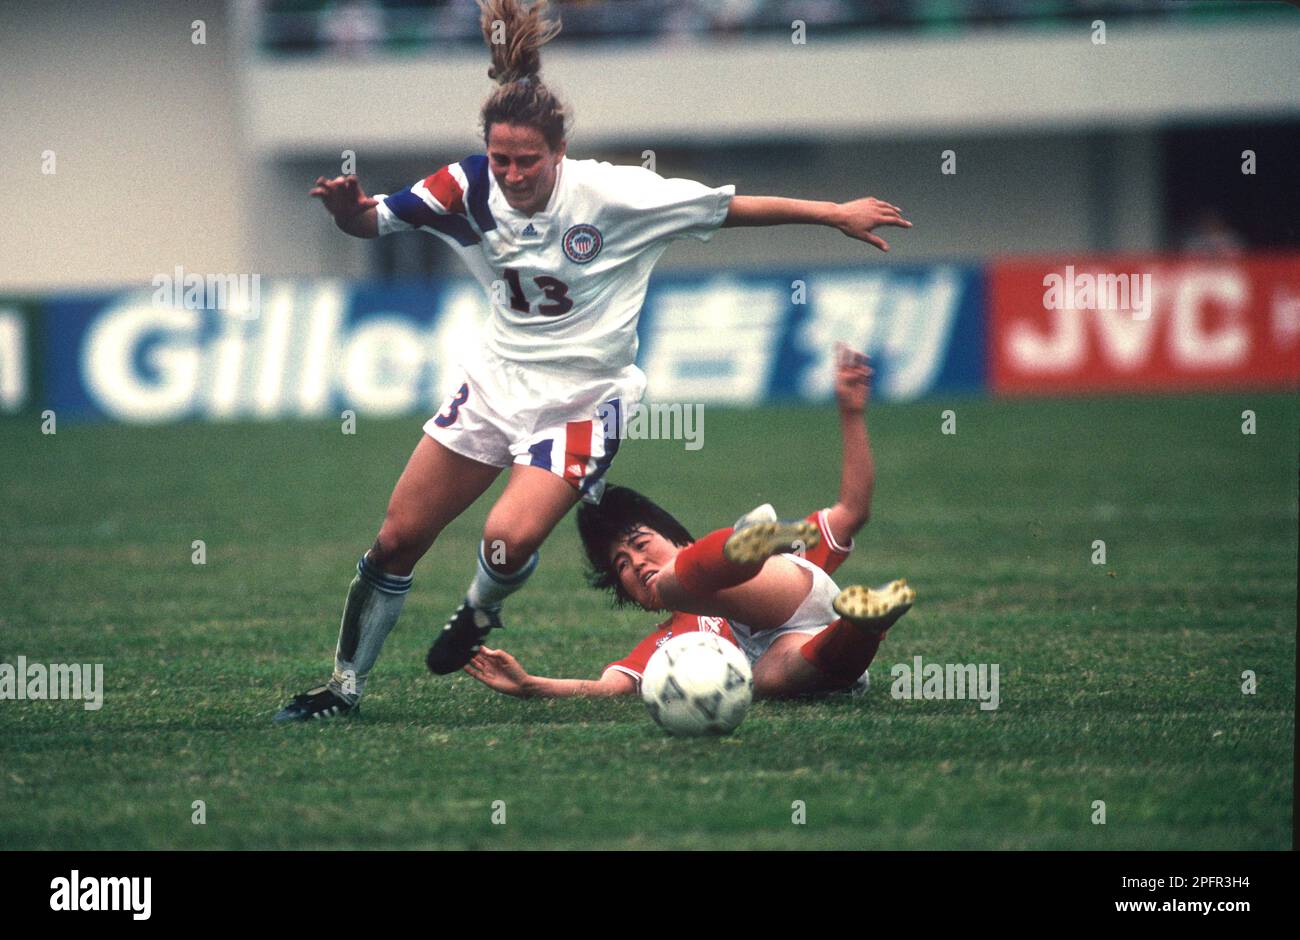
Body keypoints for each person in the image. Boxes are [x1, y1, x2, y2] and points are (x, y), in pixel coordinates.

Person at [275, 0, 911, 722]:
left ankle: (478, 613)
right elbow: (374, 220)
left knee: (507, 540)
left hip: (585, 398)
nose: (512, 175)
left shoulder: (616, 195)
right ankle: (342, 687)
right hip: (494, 385)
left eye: (528, 161)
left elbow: (730, 207)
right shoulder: (466, 184)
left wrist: (833, 214)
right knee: (396, 539)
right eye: (501, 159)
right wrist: (346, 212)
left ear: (559, 153)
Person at [465, 345, 914, 701]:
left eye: (640, 543)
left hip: (782, 589)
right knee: (768, 681)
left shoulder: (678, 587)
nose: (636, 562)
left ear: (677, 536)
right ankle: (863, 622)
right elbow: (610, 688)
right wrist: (530, 685)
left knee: (677, 584)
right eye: (622, 566)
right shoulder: (669, 642)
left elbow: (852, 511)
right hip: (815, 654)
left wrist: (852, 415)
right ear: (631, 600)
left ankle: (743, 551)